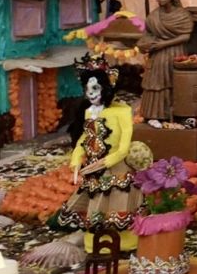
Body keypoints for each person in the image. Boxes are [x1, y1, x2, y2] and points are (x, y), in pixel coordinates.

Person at [55, 61, 141, 246]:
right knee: (93, 206)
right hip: (93, 170)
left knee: (117, 203)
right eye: (87, 88)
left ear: (107, 88)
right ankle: (94, 243)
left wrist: (106, 162)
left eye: (95, 87)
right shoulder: (89, 112)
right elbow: (85, 138)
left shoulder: (123, 112)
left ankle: (123, 243)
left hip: (116, 169)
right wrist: (76, 159)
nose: (91, 93)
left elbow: (124, 147)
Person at [137, 0, 196, 126]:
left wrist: (163, 44)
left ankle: (179, 114)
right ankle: (155, 114)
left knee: (176, 82)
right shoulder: (153, 16)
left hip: (176, 52)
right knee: (156, 81)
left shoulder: (182, 15)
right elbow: (148, 34)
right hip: (157, 55)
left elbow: (185, 36)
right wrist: (143, 44)